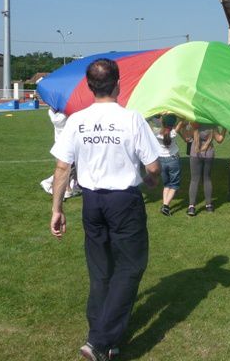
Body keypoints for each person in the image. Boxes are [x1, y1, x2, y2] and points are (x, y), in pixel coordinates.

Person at [49, 58, 161, 361]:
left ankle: (106, 340)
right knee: (130, 266)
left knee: (101, 271)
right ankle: (98, 342)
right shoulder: (132, 119)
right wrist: (153, 180)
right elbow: (153, 165)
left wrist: (56, 209)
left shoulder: (77, 120)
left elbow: (62, 167)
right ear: (119, 84)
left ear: (89, 86)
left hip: (92, 202)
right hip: (123, 201)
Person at [40, 108, 81, 199]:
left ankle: (72, 186)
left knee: (70, 167)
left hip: (59, 143)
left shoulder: (51, 113)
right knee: (68, 168)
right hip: (67, 143)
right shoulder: (65, 115)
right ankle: (66, 189)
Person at [187, 123, 226, 214]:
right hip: (209, 154)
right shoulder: (212, 125)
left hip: (195, 153)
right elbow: (219, 139)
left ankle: (191, 207)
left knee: (194, 180)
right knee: (207, 179)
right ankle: (209, 206)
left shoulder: (194, 123)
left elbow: (187, 137)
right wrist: (225, 128)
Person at [151, 114, 183, 216]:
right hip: (173, 160)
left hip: (161, 160)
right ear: (173, 124)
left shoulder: (156, 133)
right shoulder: (173, 133)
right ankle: (166, 205)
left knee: (166, 184)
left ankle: (165, 205)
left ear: (162, 122)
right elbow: (183, 120)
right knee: (174, 184)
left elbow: (148, 122)